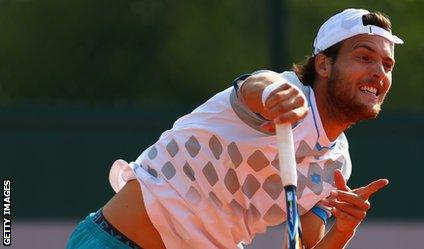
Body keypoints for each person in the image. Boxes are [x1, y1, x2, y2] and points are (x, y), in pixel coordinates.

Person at [66, 8, 403, 249]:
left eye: (387, 64)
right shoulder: (284, 91)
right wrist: (272, 95)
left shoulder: (337, 165)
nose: (379, 72)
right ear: (323, 64)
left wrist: (343, 229)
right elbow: (254, 86)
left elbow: (301, 244)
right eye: (364, 57)